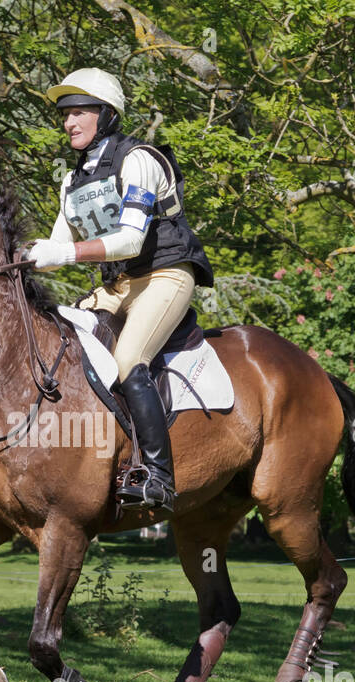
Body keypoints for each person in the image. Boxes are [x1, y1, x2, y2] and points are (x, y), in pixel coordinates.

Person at [25, 67, 214, 513]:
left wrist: (62, 255)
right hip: (120, 284)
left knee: (129, 360)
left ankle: (158, 475)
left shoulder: (139, 160)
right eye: (65, 114)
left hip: (167, 274)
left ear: (107, 114)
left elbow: (129, 240)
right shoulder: (72, 181)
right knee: (60, 340)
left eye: (79, 112)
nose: (69, 122)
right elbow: (57, 243)